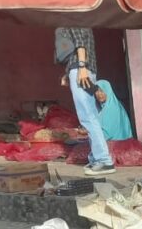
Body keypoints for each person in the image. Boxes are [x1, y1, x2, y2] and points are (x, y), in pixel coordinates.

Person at [55, 27, 114, 176]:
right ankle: (96, 159)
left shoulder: (75, 19)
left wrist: (81, 68)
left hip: (81, 69)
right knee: (91, 117)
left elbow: (80, 43)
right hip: (83, 69)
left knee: (88, 118)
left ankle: (104, 161)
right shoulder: (83, 20)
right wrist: (68, 73)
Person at [60, 75, 132, 141]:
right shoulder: (102, 108)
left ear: (108, 91)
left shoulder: (113, 108)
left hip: (118, 143)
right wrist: (87, 131)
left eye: (102, 91)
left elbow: (107, 134)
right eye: (96, 92)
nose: (99, 94)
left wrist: (87, 134)